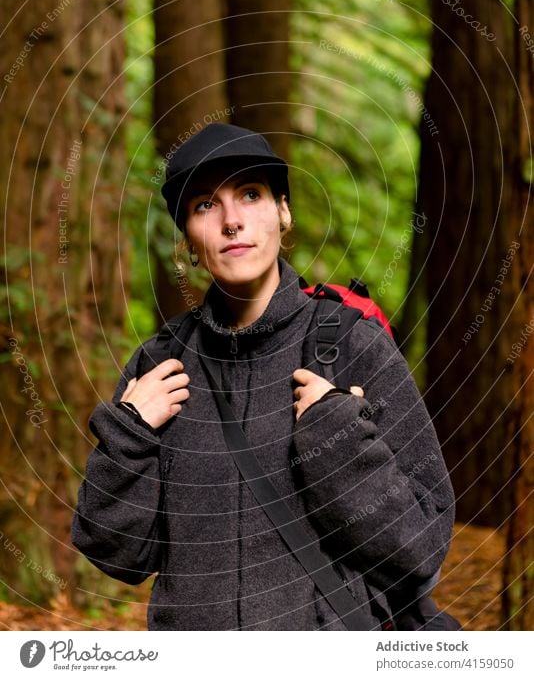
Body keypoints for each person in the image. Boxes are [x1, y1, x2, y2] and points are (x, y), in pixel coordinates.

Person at [71, 122, 455, 631]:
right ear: (187, 237)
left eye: (251, 195)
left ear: (283, 212)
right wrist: (129, 433)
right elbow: (118, 555)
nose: (232, 221)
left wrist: (337, 435)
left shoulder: (352, 344)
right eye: (205, 204)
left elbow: (419, 550)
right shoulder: (160, 365)